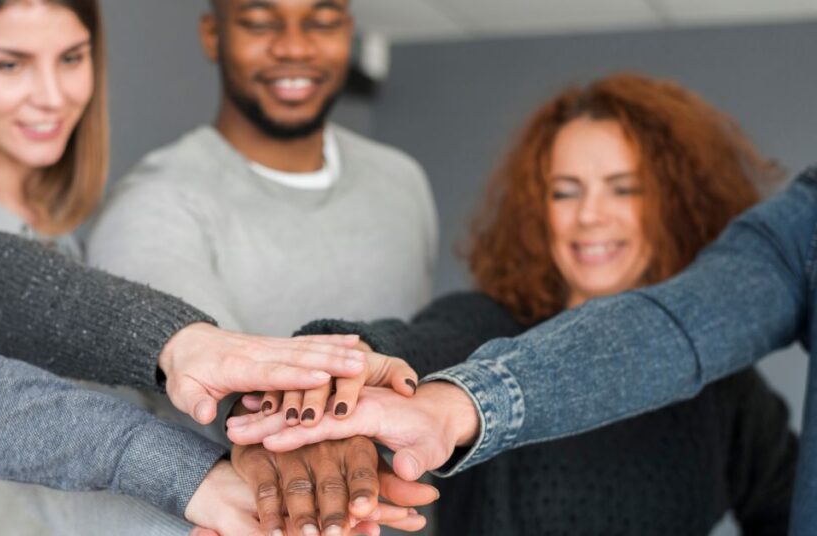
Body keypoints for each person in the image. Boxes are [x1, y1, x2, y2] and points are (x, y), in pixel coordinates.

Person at [0, 1, 425, 534]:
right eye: (9, 64)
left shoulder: (70, 246)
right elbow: (47, 451)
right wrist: (236, 497)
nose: (51, 95)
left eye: (71, 58)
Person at [228, 74, 799, 534]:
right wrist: (336, 367)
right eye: (564, 191)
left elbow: (789, 510)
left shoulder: (731, 394)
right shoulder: (486, 326)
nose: (589, 215)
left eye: (624, 189)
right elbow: (408, 347)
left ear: (675, 205)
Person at [87, 1, 436, 531]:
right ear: (212, 35)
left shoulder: (403, 183)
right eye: (259, 21)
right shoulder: (155, 202)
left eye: (321, 21)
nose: (294, 46)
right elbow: (218, 391)